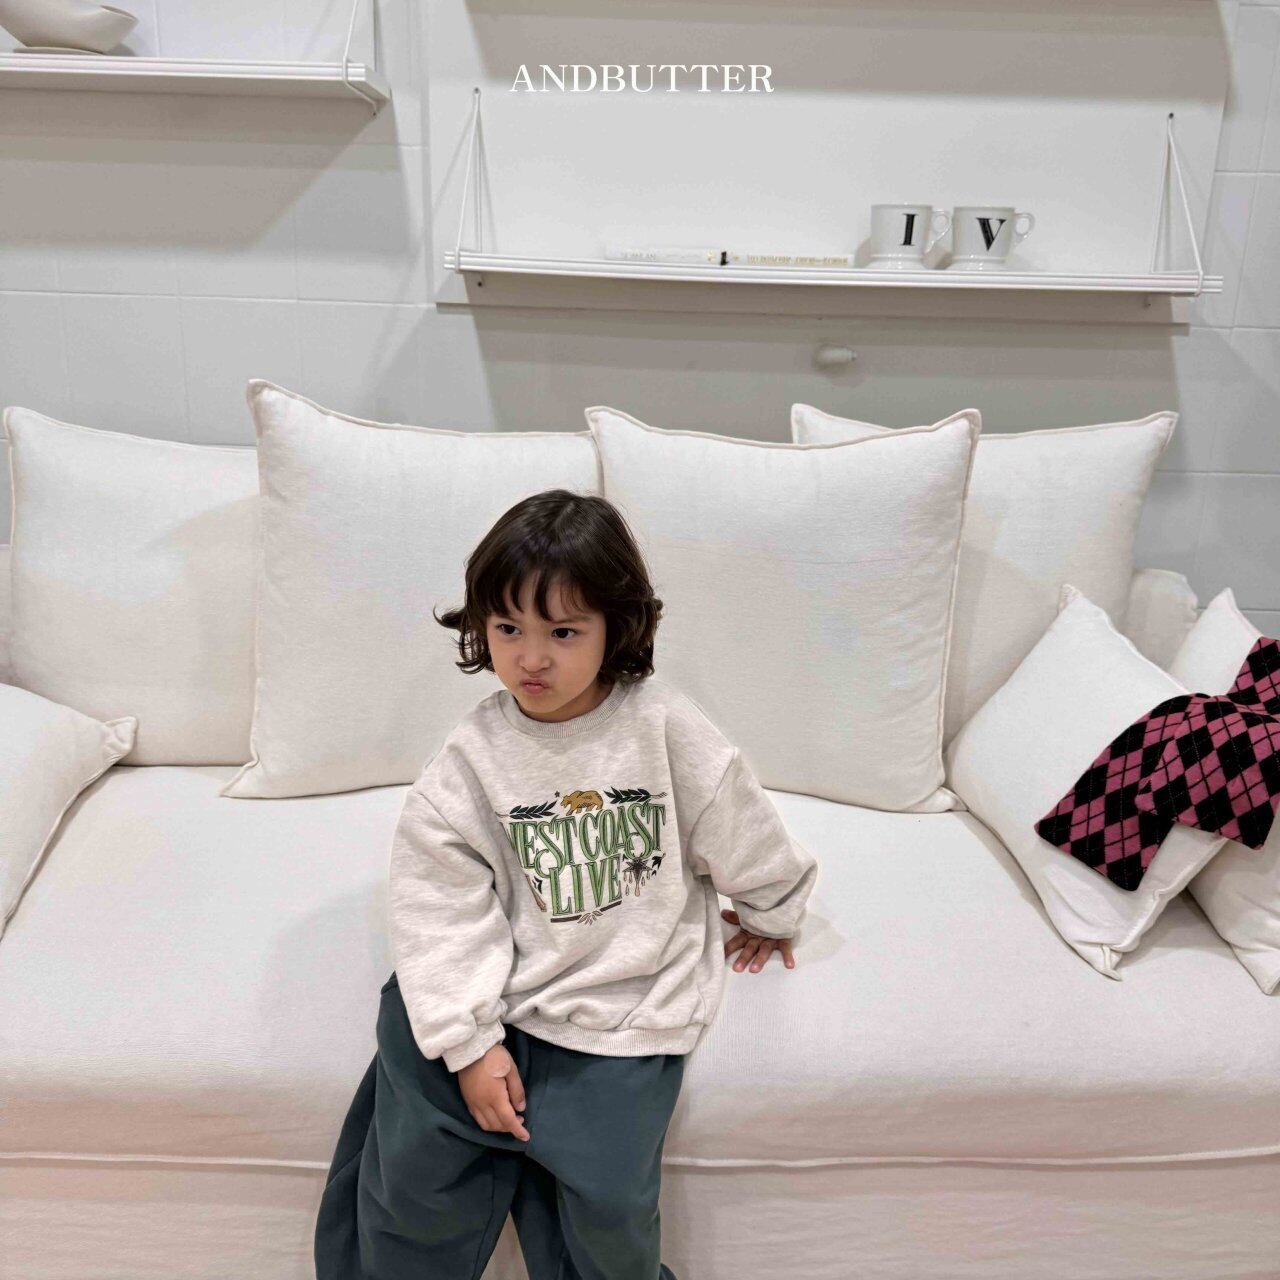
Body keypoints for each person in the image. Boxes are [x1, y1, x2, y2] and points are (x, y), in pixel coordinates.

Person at [315, 488, 819, 1280]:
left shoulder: (664, 728)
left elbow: (740, 823)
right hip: (487, 989)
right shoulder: (470, 759)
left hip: (619, 1010)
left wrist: (773, 911)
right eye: (508, 628)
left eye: (563, 631)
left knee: (608, 1214)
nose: (532, 657)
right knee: (410, 1190)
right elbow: (438, 904)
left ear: (616, 627)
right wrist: (471, 1046)